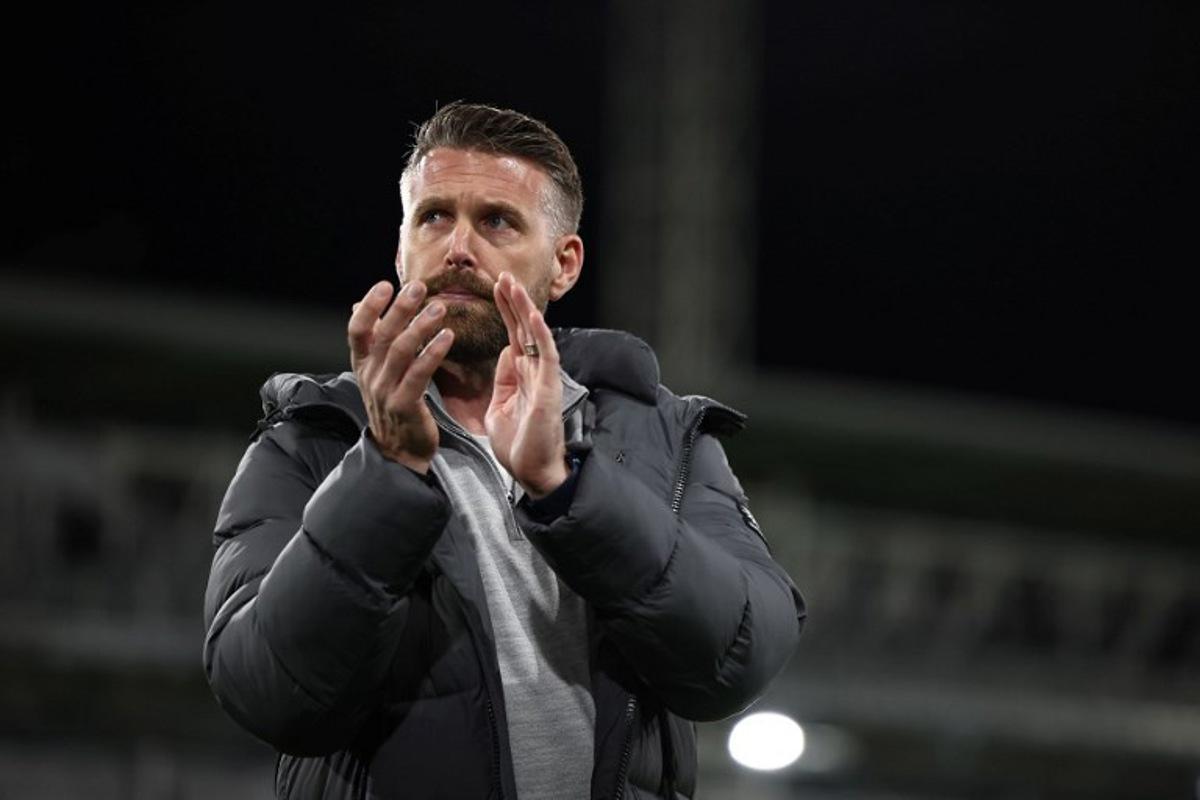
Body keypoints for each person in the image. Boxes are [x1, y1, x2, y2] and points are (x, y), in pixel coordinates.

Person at [203, 101, 804, 800]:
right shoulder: (309, 439)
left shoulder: (666, 438)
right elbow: (268, 692)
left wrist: (567, 488)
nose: (458, 247)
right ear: (401, 248)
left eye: (496, 221)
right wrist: (386, 471)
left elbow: (740, 655)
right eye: (433, 217)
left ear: (564, 263)